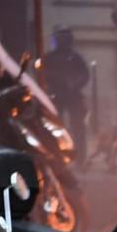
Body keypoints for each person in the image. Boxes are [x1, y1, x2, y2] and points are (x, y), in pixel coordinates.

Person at [40, 26, 92, 161]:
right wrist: (53, 81)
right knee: (56, 128)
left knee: (78, 128)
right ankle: (58, 156)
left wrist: (75, 84)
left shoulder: (74, 57)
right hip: (56, 96)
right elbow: (41, 73)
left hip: (73, 95)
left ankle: (80, 158)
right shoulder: (49, 57)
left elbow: (84, 74)